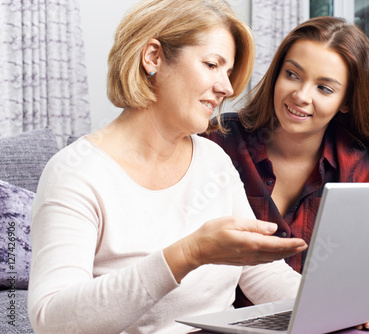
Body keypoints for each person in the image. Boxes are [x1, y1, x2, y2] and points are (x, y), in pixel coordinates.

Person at [27, 1, 310, 333]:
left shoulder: (213, 160)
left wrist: (342, 306)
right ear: (153, 57)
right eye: (212, 64)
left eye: (228, 71)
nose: (227, 88)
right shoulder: (75, 173)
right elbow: (51, 321)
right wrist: (188, 253)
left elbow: (258, 272)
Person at [205, 16, 369, 333]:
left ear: (345, 102)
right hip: (234, 316)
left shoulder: (364, 171)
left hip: (331, 317)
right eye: (292, 75)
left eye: (324, 88)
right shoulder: (218, 140)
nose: (302, 95)